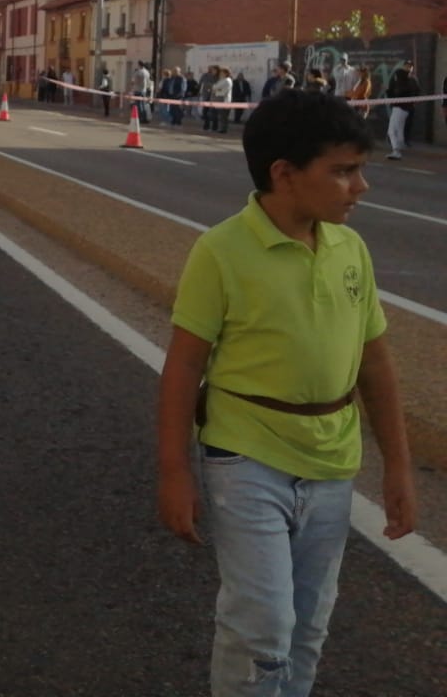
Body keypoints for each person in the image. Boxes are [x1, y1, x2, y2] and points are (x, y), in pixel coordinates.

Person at [156, 89, 413, 697]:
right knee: (261, 624)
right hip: (247, 457)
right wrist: (174, 472)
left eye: (361, 170)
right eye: (343, 172)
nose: (360, 187)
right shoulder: (220, 251)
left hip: (331, 462)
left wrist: (398, 468)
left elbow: (375, 364)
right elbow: (182, 369)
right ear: (284, 174)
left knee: (307, 627)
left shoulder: (351, 249)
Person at [382, 61, 420, 161]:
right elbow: (393, 91)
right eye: (407, 66)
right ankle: (399, 147)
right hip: (400, 107)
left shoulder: (408, 79)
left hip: (401, 108)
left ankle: (396, 151)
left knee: (392, 130)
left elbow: (408, 92)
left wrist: (390, 92)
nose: (408, 68)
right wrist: (388, 91)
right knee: (399, 129)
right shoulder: (402, 78)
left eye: (410, 66)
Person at [212, 68, 235, 135]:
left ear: (226, 73)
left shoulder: (227, 80)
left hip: (224, 100)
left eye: (222, 73)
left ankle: (223, 129)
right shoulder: (222, 80)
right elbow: (214, 87)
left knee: (223, 116)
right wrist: (216, 89)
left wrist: (217, 91)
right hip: (221, 99)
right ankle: (222, 128)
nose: (220, 74)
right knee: (222, 115)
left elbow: (219, 89)